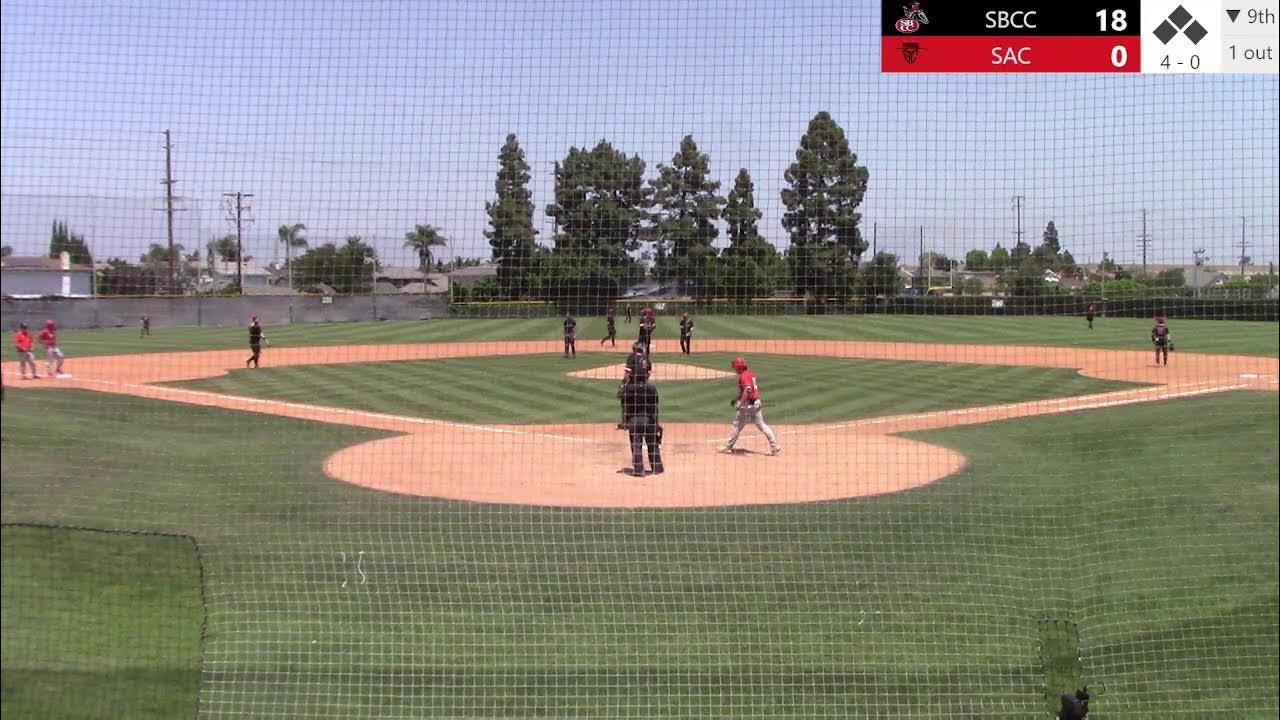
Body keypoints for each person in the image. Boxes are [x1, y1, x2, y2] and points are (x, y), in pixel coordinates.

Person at [720, 356, 780, 456]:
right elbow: (746, 389)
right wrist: (736, 399)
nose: (734, 369)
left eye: (735, 367)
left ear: (739, 367)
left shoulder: (743, 376)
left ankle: (728, 447)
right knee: (762, 426)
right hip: (756, 403)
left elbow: (747, 389)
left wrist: (742, 403)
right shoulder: (750, 374)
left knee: (737, 425)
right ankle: (774, 446)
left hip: (748, 405)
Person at [618, 379, 663, 476]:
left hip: (634, 421)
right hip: (649, 420)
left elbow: (623, 402)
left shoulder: (628, 388)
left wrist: (624, 422)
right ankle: (657, 468)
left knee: (636, 445)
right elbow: (655, 406)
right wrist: (656, 423)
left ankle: (639, 470)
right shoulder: (651, 387)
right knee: (652, 444)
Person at [618, 341, 652, 427]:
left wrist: (623, 384)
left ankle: (625, 423)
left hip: (633, 384)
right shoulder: (646, 358)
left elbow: (627, 374)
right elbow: (648, 373)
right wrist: (644, 381)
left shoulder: (632, 357)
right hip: (644, 384)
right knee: (646, 402)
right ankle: (649, 421)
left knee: (625, 400)